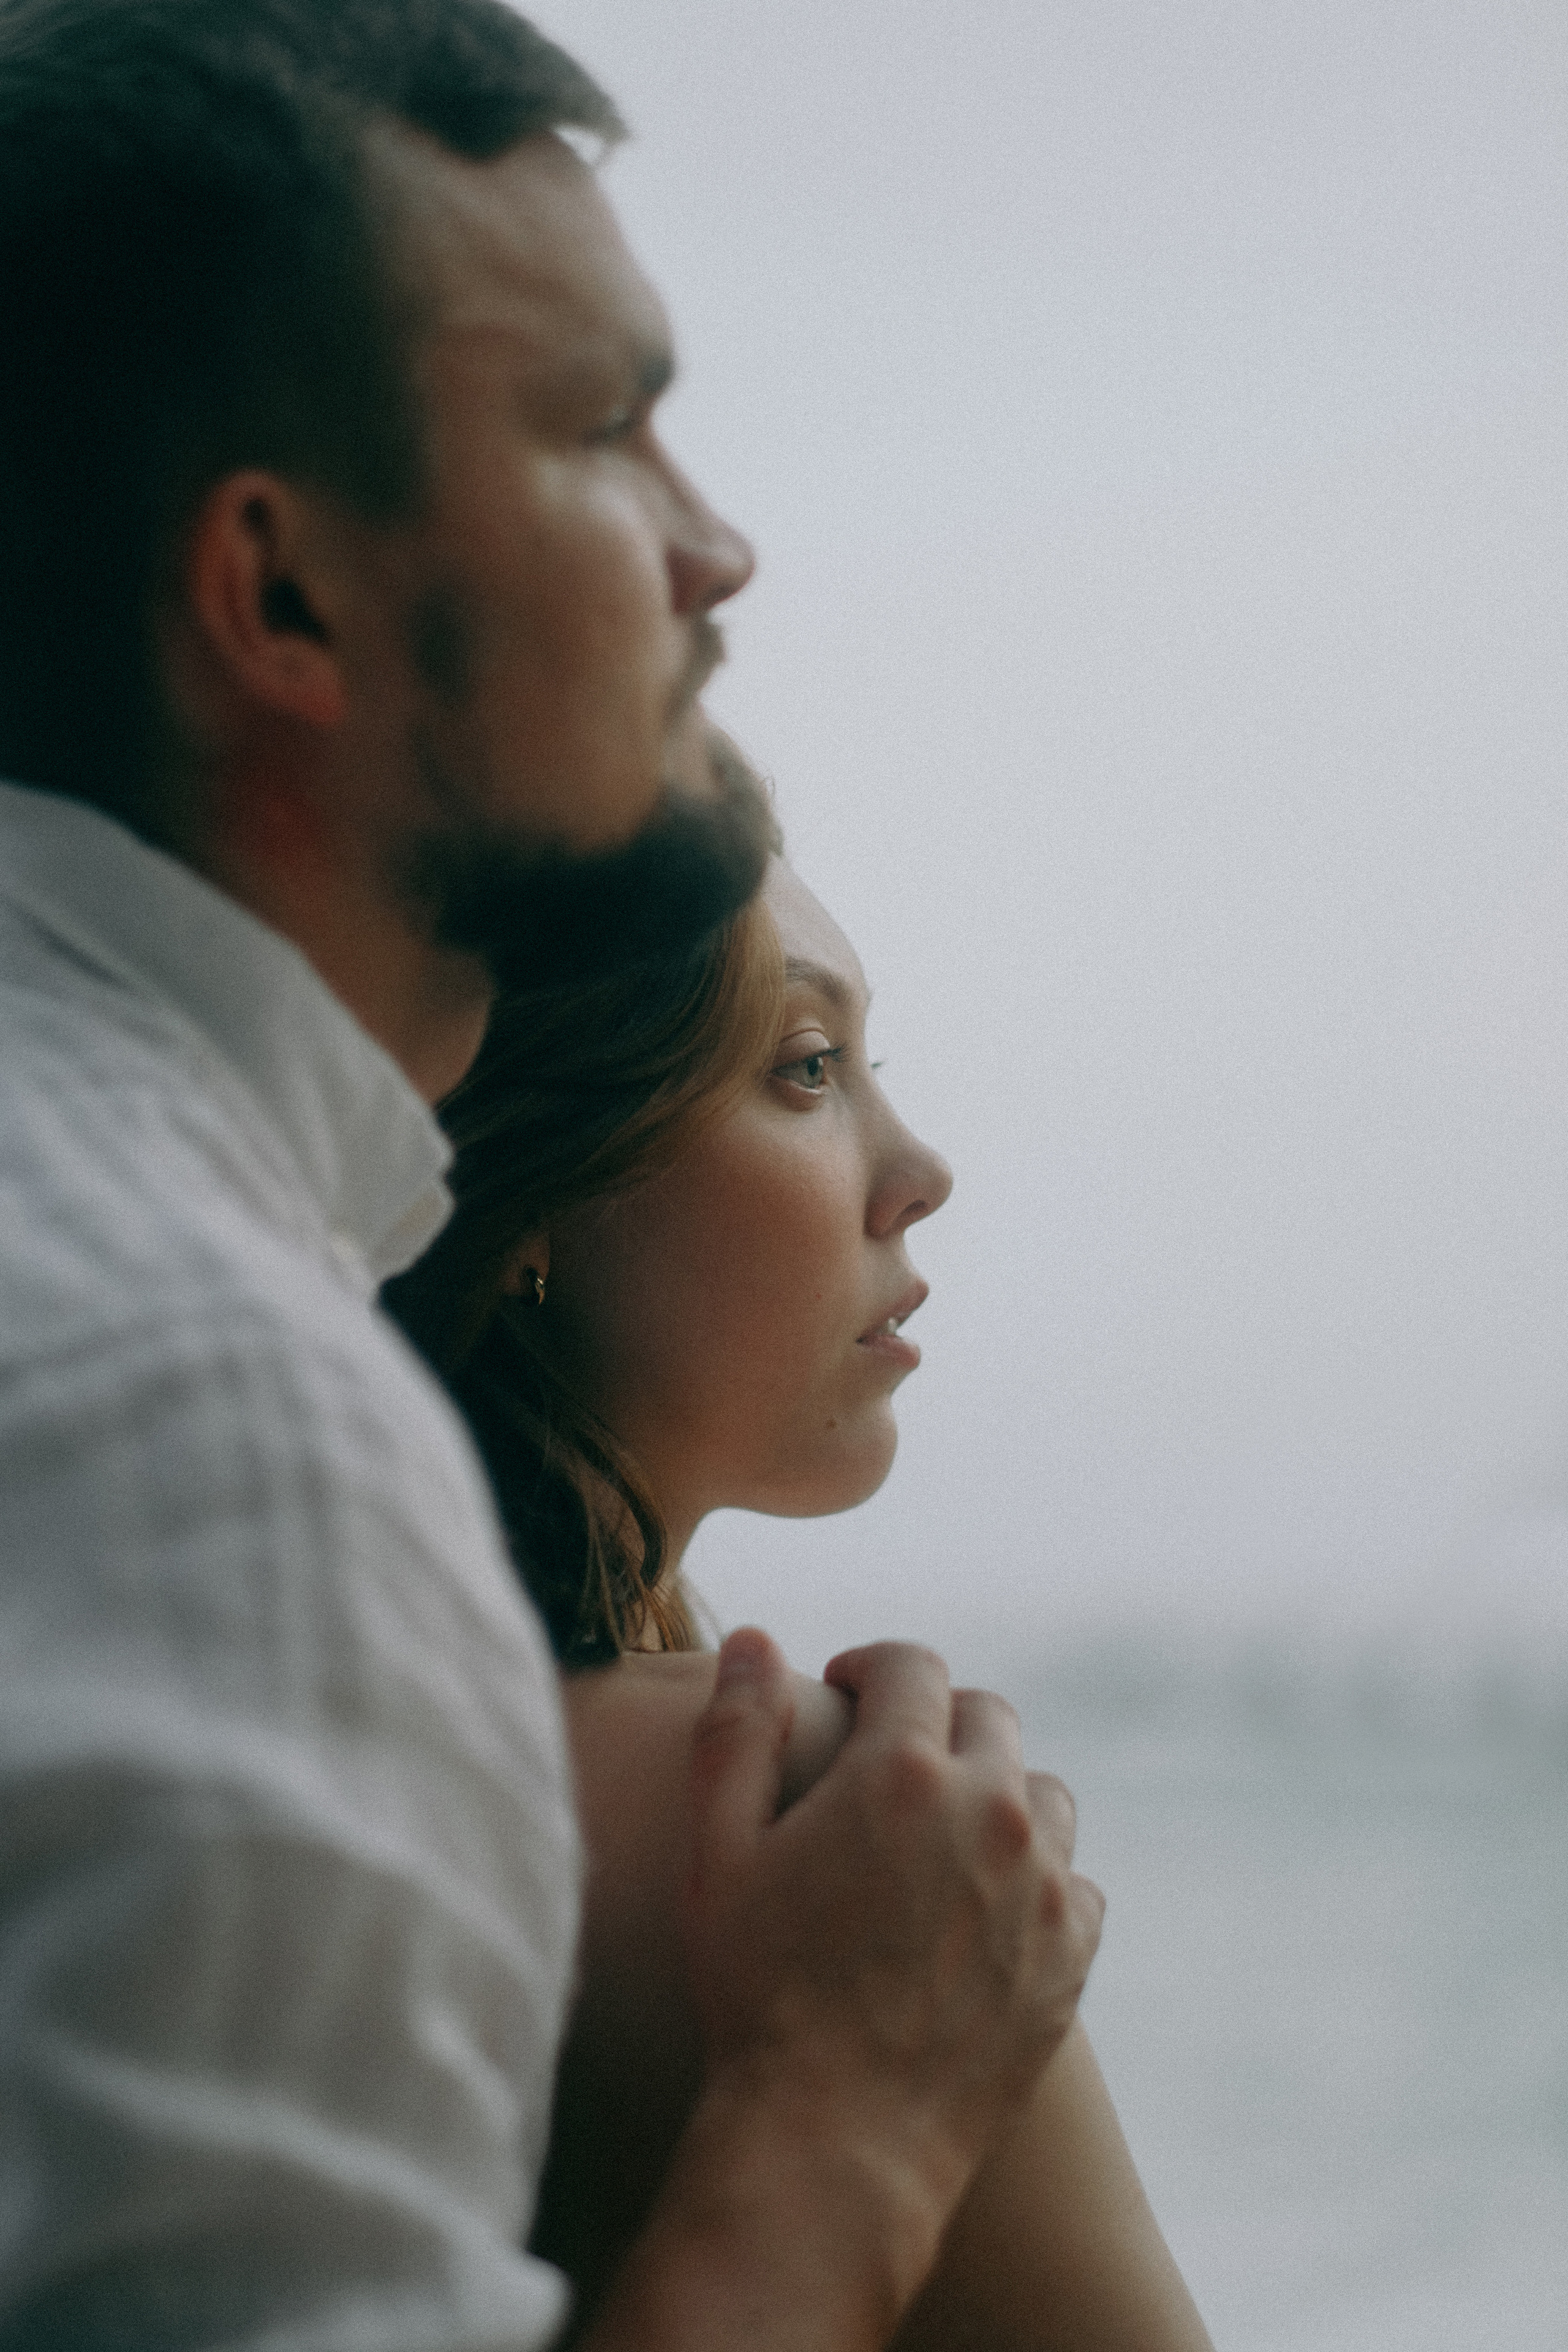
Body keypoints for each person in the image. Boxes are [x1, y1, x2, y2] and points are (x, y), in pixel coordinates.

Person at [0, 5, 1104, 2346]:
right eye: (602, 428)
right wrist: (863, 2108)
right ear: (278, 598)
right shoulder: (211, 1409)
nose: (720, 549)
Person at [388, 840, 1215, 2351]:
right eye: (806, 1067)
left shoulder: (323, 1758)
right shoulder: (812, 1834)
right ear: (513, 1195)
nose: (918, 1173)